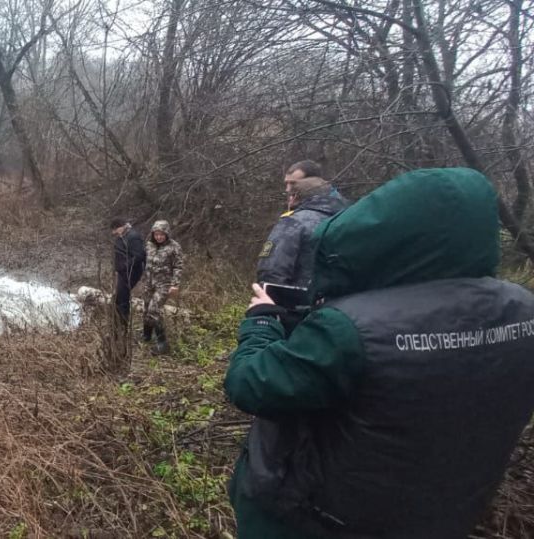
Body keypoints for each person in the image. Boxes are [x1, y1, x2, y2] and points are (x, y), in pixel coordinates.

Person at [224, 168, 534, 538]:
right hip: (442, 514)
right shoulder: (523, 309)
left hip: (314, 518)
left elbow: (249, 382)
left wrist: (261, 321)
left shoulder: (350, 329)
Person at [256, 160, 348, 288]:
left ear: (314, 184)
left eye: (293, 183)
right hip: (347, 304)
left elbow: (270, 273)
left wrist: (269, 306)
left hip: (299, 304)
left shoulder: (294, 223)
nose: (287, 190)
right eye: (286, 184)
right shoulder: (351, 217)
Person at [143, 220, 184, 354]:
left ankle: (163, 344)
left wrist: (175, 285)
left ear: (166, 234)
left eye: (161, 234)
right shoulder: (149, 245)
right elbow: (144, 261)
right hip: (149, 283)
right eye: (156, 234)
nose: (159, 237)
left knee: (154, 310)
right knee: (146, 308)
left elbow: (178, 266)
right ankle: (146, 335)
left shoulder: (174, 247)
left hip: (164, 284)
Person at [110, 217, 145, 328]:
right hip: (122, 273)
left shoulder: (133, 237)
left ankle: (122, 328)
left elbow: (139, 256)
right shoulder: (121, 237)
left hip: (131, 273)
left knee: (122, 300)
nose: (113, 233)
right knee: (118, 299)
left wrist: (124, 266)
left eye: (115, 229)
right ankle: (117, 326)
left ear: (121, 226)